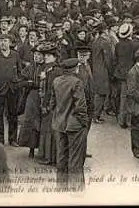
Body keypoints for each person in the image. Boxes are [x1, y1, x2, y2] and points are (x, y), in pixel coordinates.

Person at [50, 58, 89, 192]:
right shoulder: (77, 82)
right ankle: (76, 189)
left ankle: (61, 187)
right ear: (74, 69)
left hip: (59, 124)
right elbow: (81, 107)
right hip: (74, 125)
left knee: (61, 157)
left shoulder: (56, 81)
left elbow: (52, 103)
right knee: (75, 159)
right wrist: (84, 123)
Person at [0, 34, 23, 146]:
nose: (3, 43)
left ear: (10, 43)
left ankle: (13, 139)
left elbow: (20, 72)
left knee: (13, 114)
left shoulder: (15, 55)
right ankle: (0, 139)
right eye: (1, 41)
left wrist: (17, 83)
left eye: (5, 41)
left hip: (13, 89)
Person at [18, 45, 45, 157]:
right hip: (32, 96)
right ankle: (31, 148)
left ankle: (43, 149)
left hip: (43, 96)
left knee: (43, 122)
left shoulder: (46, 67)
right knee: (31, 121)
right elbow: (20, 79)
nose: (36, 57)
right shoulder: (30, 66)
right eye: (35, 55)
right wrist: (29, 83)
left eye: (39, 55)